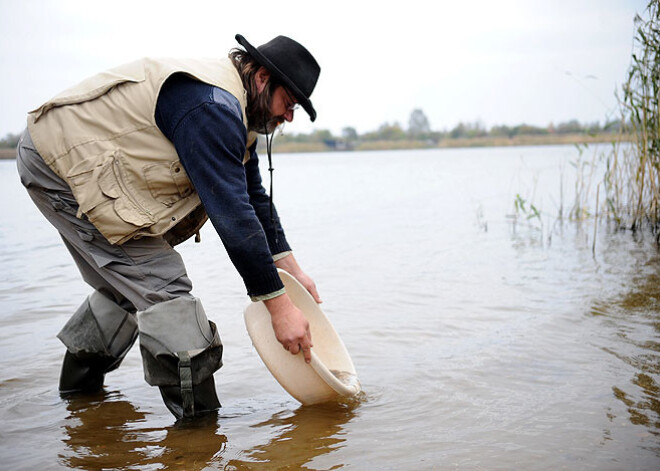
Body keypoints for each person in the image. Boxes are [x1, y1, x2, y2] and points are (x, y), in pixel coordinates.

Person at [16, 34, 322, 420]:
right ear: (263, 77)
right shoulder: (212, 108)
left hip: (64, 156)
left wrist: (291, 269)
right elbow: (232, 215)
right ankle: (198, 437)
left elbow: (253, 196)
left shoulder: (237, 113)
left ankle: (79, 403)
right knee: (166, 292)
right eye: (289, 103)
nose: (289, 117)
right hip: (59, 163)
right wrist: (278, 307)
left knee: (126, 288)